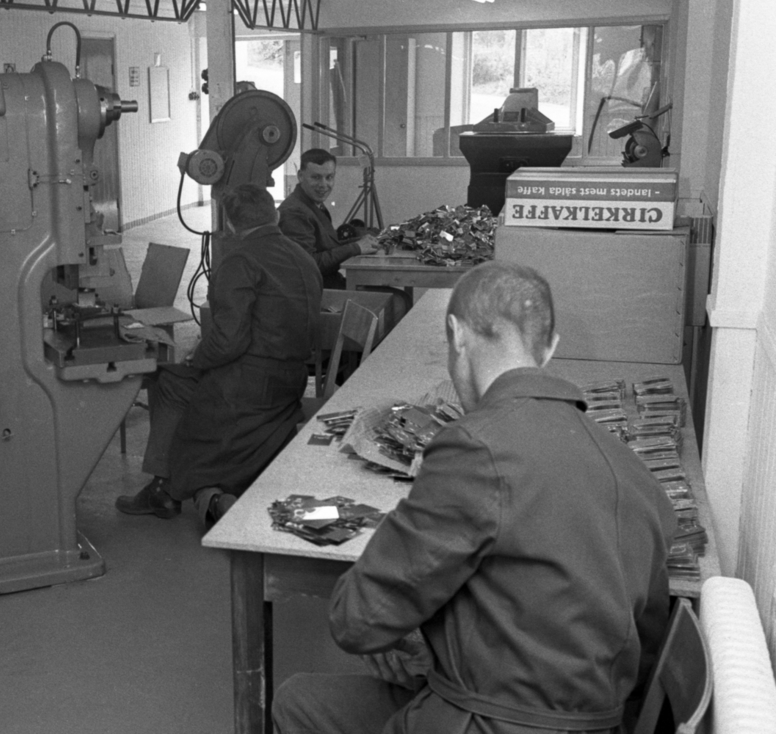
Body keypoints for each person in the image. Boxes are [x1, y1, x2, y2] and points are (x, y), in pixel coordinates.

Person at [273, 260, 677, 734]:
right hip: (598, 724)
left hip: (486, 723)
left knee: (297, 702)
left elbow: (358, 620)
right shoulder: (633, 471)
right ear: (549, 347)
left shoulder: (473, 447)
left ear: (457, 335)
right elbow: (642, 644)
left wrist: (408, 634)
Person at [115, 183, 323, 527]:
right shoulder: (302, 256)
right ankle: (185, 488)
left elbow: (228, 342)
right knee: (185, 378)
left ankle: (164, 488)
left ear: (229, 224)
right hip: (293, 379)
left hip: (251, 386)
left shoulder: (239, 261)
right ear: (275, 215)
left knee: (170, 380)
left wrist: (196, 358)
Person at [278, 148, 380, 290]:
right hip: (314, 292)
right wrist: (356, 248)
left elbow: (327, 247)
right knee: (398, 299)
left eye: (329, 177)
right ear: (300, 176)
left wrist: (362, 241)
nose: (323, 185)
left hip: (326, 283)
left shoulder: (312, 204)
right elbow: (309, 264)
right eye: (316, 177)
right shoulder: (294, 212)